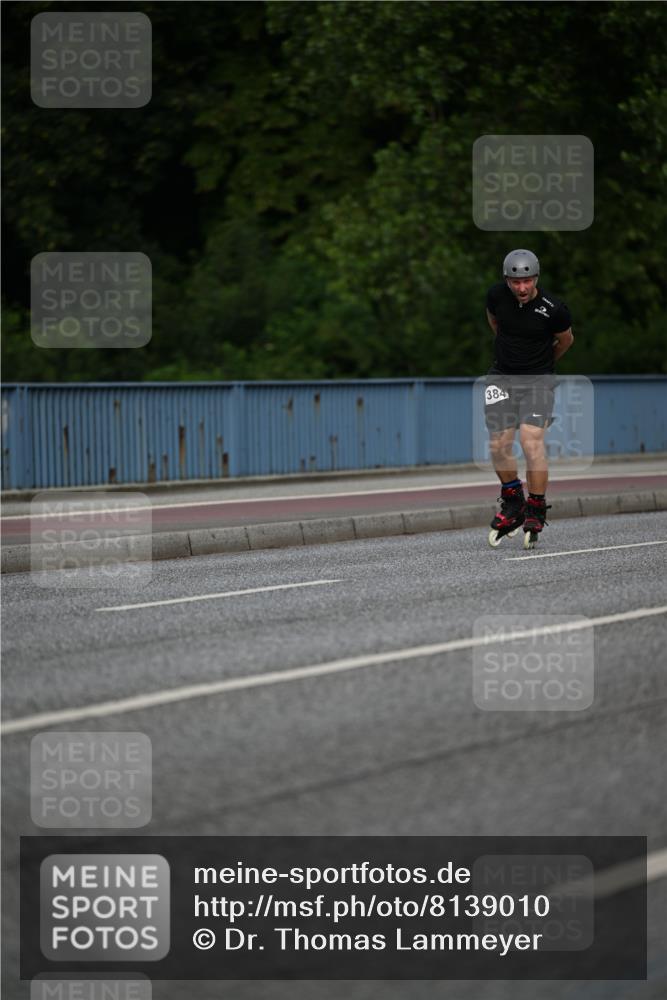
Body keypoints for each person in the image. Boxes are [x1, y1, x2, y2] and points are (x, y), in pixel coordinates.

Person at [484, 249, 574, 548]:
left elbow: (565, 340)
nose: (521, 288)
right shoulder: (496, 296)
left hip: (538, 380)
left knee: (530, 441)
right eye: (515, 282)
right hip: (501, 377)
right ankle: (514, 502)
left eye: (527, 281)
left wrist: (544, 365)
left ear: (536, 278)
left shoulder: (554, 309)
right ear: (506, 280)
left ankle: (536, 507)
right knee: (497, 444)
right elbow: (495, 324)